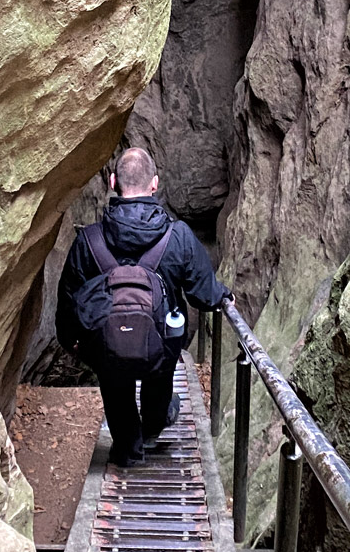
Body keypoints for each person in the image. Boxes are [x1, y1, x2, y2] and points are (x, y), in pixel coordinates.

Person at [57, 146, 233, 467]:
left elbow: (70, 298)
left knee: (113, 374)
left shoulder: (89, 241)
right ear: (154, 184)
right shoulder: (177, 236)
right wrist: (222, 295)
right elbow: (202, 294)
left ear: (112, 182)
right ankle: (154, 423)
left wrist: (73, 341)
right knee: (161, 365)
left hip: (107, 349)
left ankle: (128, 447)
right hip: (161, 349)